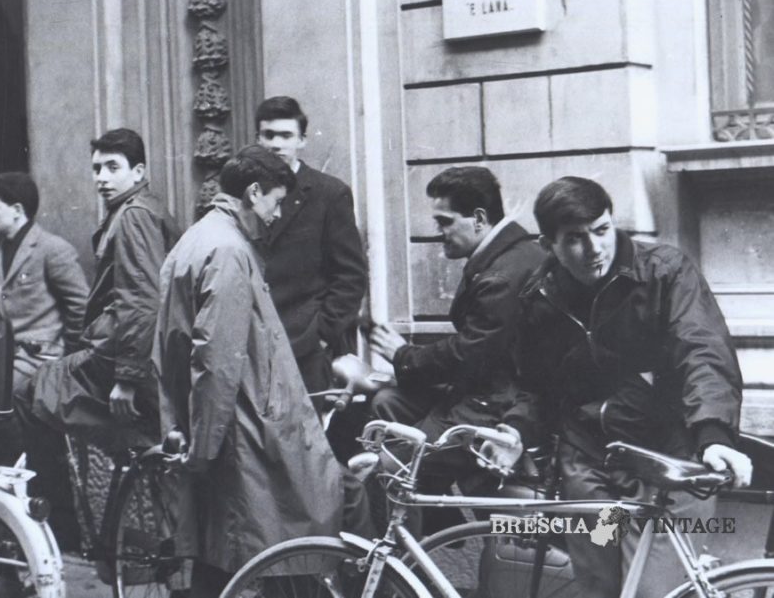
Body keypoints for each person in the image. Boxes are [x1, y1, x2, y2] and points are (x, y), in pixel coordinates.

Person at [505, 176, 752, 598]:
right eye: (575, 239)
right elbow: (535, 387)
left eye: (602, 230)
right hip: (594, 472)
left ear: (613, 221)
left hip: (670, 467)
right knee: (602, 586)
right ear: (549, 244)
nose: (595, 248)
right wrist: (515, 432)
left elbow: (703, 351)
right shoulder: (540, 297)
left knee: (653, 592)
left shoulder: (664, 272)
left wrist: (713, 435)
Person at [154, 145, 371, 598]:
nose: (275, 216)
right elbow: (215, 362)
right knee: (313, 521)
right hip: (245, 434)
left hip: (229, 427)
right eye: (274, 202)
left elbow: (180, 350)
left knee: (229, 559)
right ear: (253, 193)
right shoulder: (230, 251)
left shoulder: (197, 240)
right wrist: (204, 447)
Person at [368, 167, 543, 527]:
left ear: (478, 218)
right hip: (487, 395)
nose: (439, 234)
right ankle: (435, 521)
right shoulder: (507, 256)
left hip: (492, 408)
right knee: (388, 402)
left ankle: (401, 574)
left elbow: (470, 353)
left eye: (445, 222)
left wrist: (403, 356)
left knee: (385, 472)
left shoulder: (502, 274)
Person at [31, 128, 181, 447]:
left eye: (113, 167)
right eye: (97, 168)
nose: (102, 177)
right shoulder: (135, 208)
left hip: (127, 358)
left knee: (34, 393)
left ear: (138, 171)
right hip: (127, 350)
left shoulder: (134, 215)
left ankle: (55, 495)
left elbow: (141, 300)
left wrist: (126, 378)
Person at [0, 172, 89, 547]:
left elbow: (80, 307)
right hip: (4, 364)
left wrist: (67, 362)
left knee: (39, 449)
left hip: (40, 363)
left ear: (17, 209)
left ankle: (57, 529)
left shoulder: (51, 249)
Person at [255, 96, 367, 398]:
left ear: (302, 140)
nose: (276, 144)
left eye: (286, 136)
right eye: (268, 135)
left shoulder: (329, 194)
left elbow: (351, 277)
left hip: (308, 350)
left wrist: (320, 336)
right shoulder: (248, 195)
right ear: (257, 139)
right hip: (257, 346)